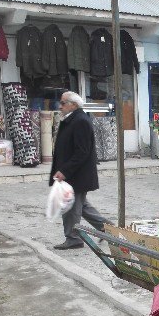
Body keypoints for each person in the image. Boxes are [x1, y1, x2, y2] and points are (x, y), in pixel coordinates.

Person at [49, 91, 112, 250]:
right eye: (61, 103)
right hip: (74, 173)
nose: (60, 106)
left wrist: (65, 170)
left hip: (77, 174)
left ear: (73, 105)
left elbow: (82, 151)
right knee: (82, 206)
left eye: (63, 103)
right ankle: (110, 230)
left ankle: (73, 238)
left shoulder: (80, 121)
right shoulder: (73, 119)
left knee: (70, 207)